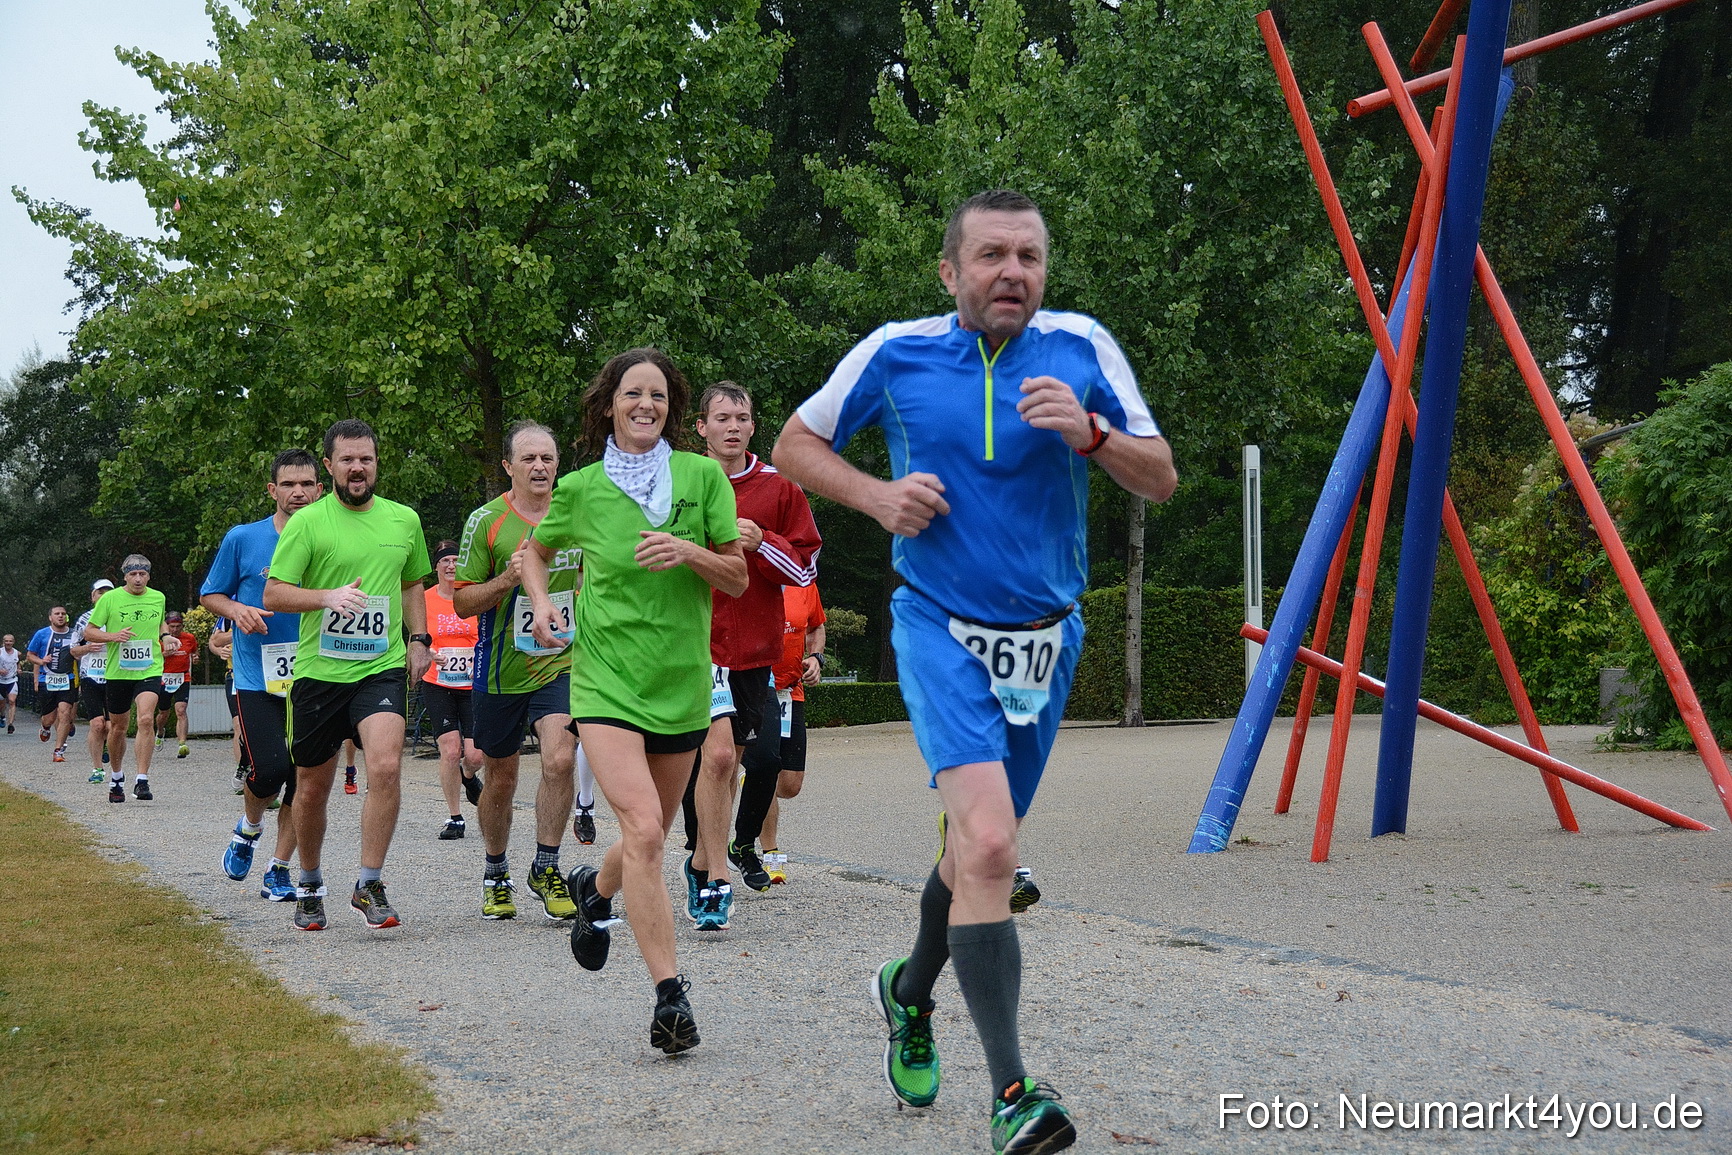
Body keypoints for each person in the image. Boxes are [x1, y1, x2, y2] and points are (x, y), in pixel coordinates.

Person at [773, 189, 1177, 1154]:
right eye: (992, 255)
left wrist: (1092, 435)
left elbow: (1158, 475)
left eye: (1029, 256)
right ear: (949, 271)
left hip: (1048, 636)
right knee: (992, 845)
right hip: (938, 626)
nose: (1013, 273)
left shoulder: (1082, 347)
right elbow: (794, 443)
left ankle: (907, 992)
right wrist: (877, 496)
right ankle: (1013, 1092)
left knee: (970, 855)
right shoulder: (898, 351)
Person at [519, 347, 746, 1054]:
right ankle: (669, 997)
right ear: (609, 405)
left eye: (656, 394)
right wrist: (540, 603)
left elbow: (736, 576)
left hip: (679, 683)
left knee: (647, 837)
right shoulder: (582, 488)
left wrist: (689, 553)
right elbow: (532, 550)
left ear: (671, 407)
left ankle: (594, 890)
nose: (644, 404)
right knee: (646, 829)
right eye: (631, 393)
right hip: (605, 681)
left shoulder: (703, 476)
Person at [264, 419, 432, 932]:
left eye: (367, 459)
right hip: (319, 673)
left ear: (376, 463)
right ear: (330, 467)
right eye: (347, 460)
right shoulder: (308, 523)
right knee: (312, 789)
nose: (358, 468)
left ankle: (369, 882)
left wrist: (419, 640)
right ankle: (310, 883)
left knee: (384, 768)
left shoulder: (403, 520)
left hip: (379, 669)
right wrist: (327, 598)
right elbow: (274, 594)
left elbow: (412, 585)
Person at [680, 382, 820, 917]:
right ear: (702, 427)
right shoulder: (681, 482)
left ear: (753, 427)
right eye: (721, 418)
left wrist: (764, 542)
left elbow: (806, 571)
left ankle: (700, 859)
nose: (732, 427)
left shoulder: (779, 489)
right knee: (716, 756)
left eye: (742, 417)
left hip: (755, 649)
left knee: (728, 762)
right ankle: (715, 874)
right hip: (694, 641)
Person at [452, 421, 589, 922]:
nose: (540, 467)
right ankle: (495, 871)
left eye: (548, 458)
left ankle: (546, 866)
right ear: (508, 466)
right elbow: (463, 601)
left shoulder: (576, 514)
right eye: (529, 459)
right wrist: (508, 579)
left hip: (563, 661)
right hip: (501, 669)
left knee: (560, 757)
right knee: (502, 776)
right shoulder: (486, 520)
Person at [203, 448, 322, 903]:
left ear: (319, 488)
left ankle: (279, 869)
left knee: (303, 778)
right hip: (258, 676)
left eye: (306, 484)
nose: (297, 492)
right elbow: (211, 593)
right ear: (273, 490)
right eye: (287, 484)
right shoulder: (244, 538)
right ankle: (248, 827)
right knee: (270, 770)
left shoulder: (333, 535)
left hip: (316, 675)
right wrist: (236, 610)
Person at [739, 580, 827, 885]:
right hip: (755, 691)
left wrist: (816, 657)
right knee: (767, 767)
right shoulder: (749, 577)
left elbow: (816, 628)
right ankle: (770, 851)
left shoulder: (805, 583)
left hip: (791, 692)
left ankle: (751, 784)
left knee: (790, 784)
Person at [85, 555, 178, 801]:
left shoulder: (158, 597)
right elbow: (89, 631)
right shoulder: (110, 599)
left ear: (148, 576)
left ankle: (142, 780)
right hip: (118, 672)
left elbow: (160, 625)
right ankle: (116, 777)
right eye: (133, 574)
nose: (138, 579)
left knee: (146, 719)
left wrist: (166, 637)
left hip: (149, 669)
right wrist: (113, 636)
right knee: (118, 727)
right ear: (125, 576)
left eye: (143, 574)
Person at [421, 540, 484, 842]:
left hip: (471, 684)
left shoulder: (470, 598)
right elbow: (414, 635)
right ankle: (455, 817)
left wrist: (478, 658)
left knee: (474, 755)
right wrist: (427, 651)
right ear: (436, 567)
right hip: (437, 682)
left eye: (456, 560)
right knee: (450, 750)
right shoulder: (424, 599)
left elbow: (486, 635)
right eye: (444, 560)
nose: (450, 565)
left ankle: (468, 776)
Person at [70, 579, 115, 783]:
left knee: (111, 726)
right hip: (91, 676)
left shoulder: (120, 616)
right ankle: (97, 769)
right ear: (93, 596)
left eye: (108, 593)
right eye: (100, 593)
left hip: (115, 676)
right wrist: (88, 648)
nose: (103, 596)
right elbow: (73, 650)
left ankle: (112, 760)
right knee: (98, 724)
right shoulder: (85, 620)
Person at [28, 606, 78, 762]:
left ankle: (58, 750)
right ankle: (45, 727)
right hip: (47, 679)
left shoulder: (74, 634)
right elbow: (30, 655)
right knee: (49, 718)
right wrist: (41, 661)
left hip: (67, 678)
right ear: (50, 617)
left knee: (65, 713)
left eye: (63, 614)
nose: (61, 616)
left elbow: (80, 651)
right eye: (57, 614)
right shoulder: (42, 634)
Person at [156, 610, 198, 758]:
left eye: (178, 626)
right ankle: (160, 731)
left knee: (181, 710)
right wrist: (164, 655)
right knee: (163, 713)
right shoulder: (159, 640)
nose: (175, 630)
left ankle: (182, 744)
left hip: (183, 677)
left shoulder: (189, 638)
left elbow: (193, 651)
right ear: (166, 626)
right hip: (163, 678)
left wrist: (195, 657)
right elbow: (152, 659)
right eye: (172, 626)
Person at [0, 633, 22, 734]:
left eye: (10, 641)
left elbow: (18, 662)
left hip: (12, 680)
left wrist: (19, 669)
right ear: (3, 642)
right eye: (6, 641)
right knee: (1, 703)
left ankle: (11, 724)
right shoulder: (0, 652)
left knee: (12, 701)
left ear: (13, 642)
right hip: (1, 681)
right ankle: (2, 716)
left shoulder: (17, 653)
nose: (8, 643)